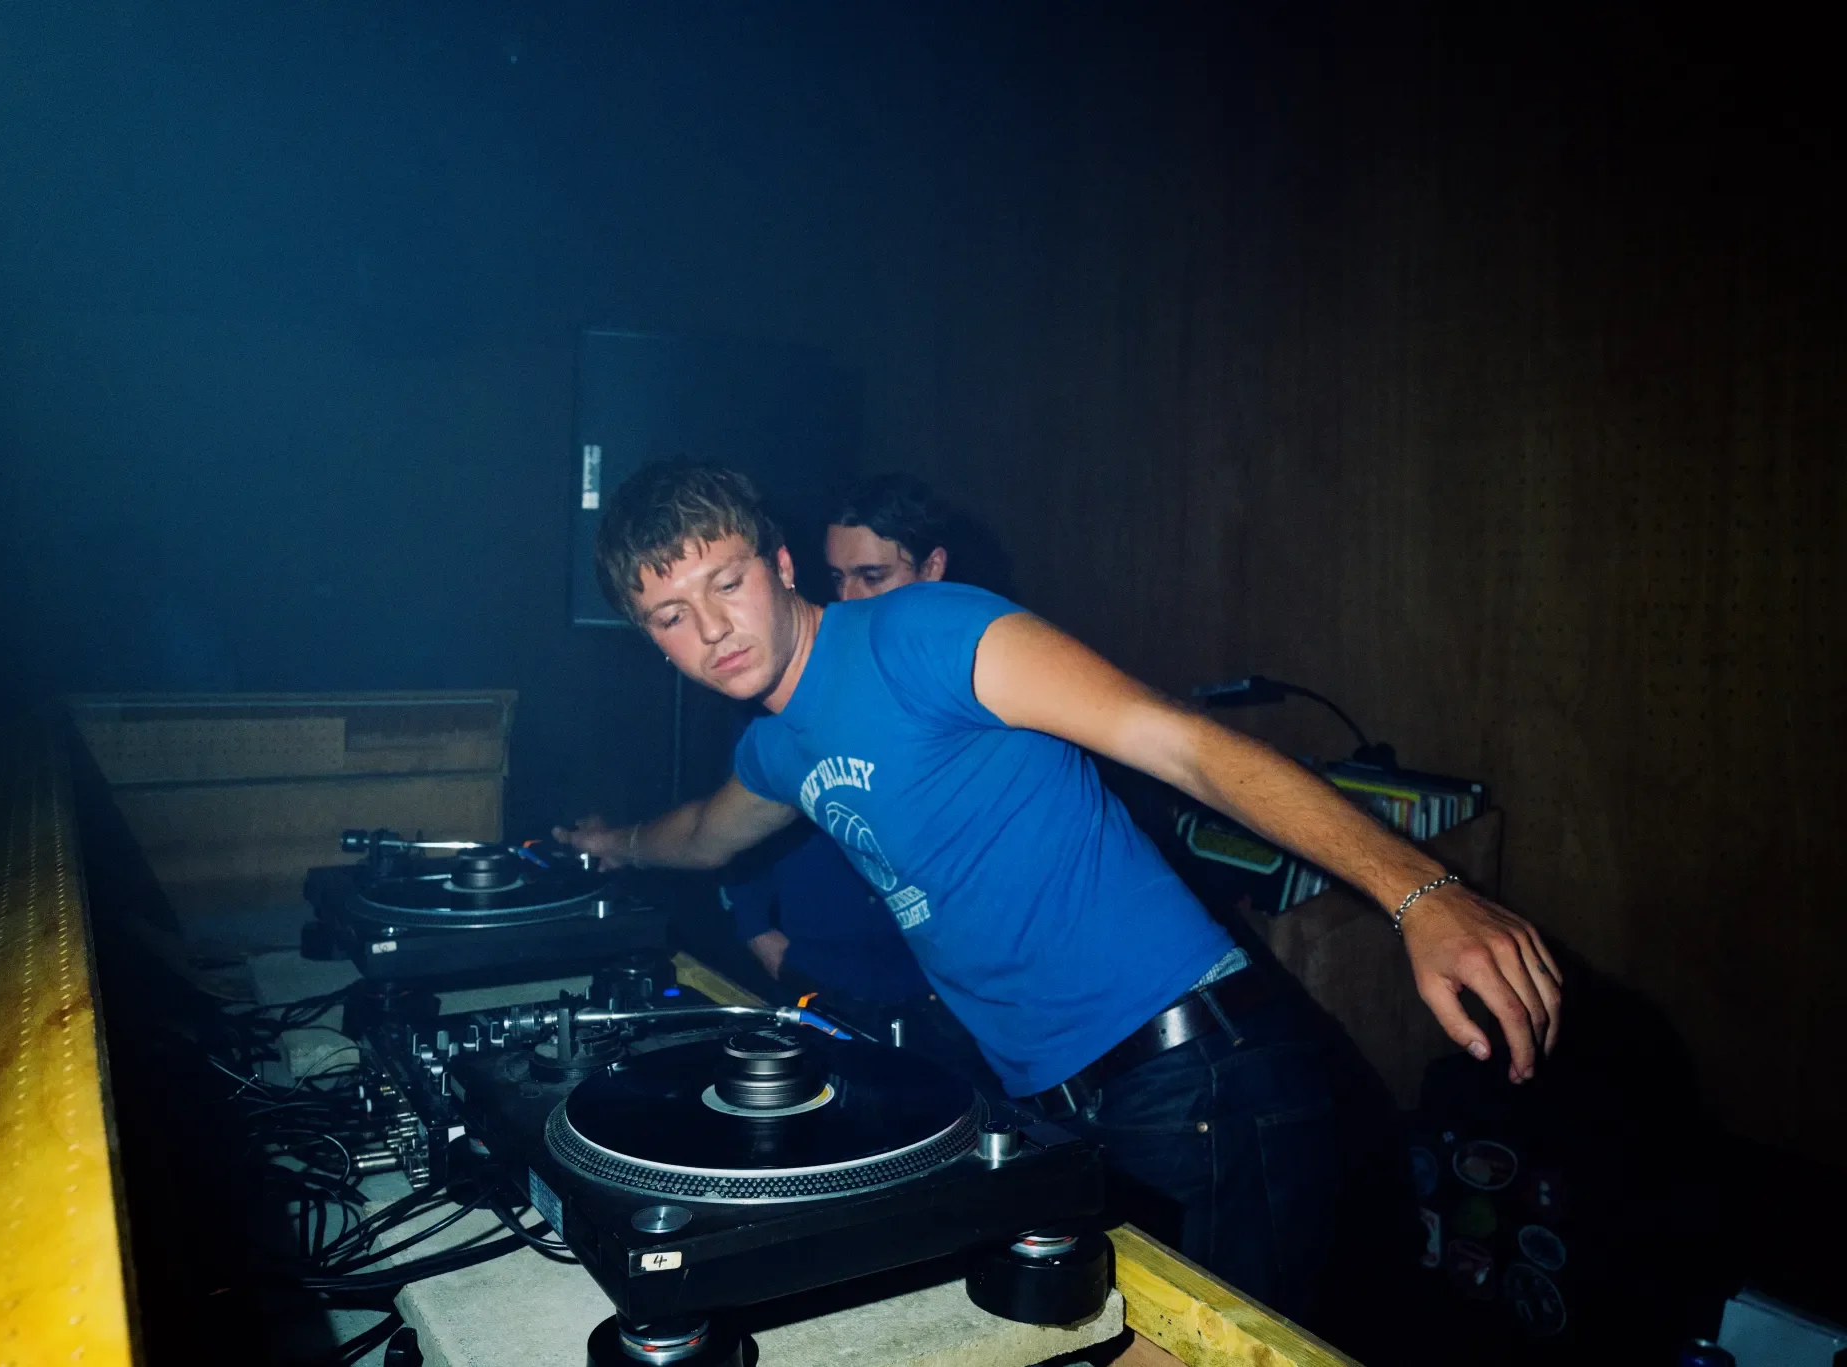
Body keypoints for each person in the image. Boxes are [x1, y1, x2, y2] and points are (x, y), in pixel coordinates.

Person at [555, 463, 1562, 1320]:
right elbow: (696, 832)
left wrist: (1420, 891)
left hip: (1195, 1074)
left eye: (725, 581)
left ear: (777, 567)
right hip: (1055, 1106)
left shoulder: (922, 631)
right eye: (672, 616)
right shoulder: (775, 745)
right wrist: (610, 843)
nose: (713, 627)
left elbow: (1183, 743)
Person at [721, 474, 997, 1087]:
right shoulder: (787, 686)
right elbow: (726, 824)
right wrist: (756, 930)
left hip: (944, 998)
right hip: (821, 972)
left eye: (871, 577)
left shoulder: (971, 671)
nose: (848, 598)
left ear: (932, 568)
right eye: (838, 578)